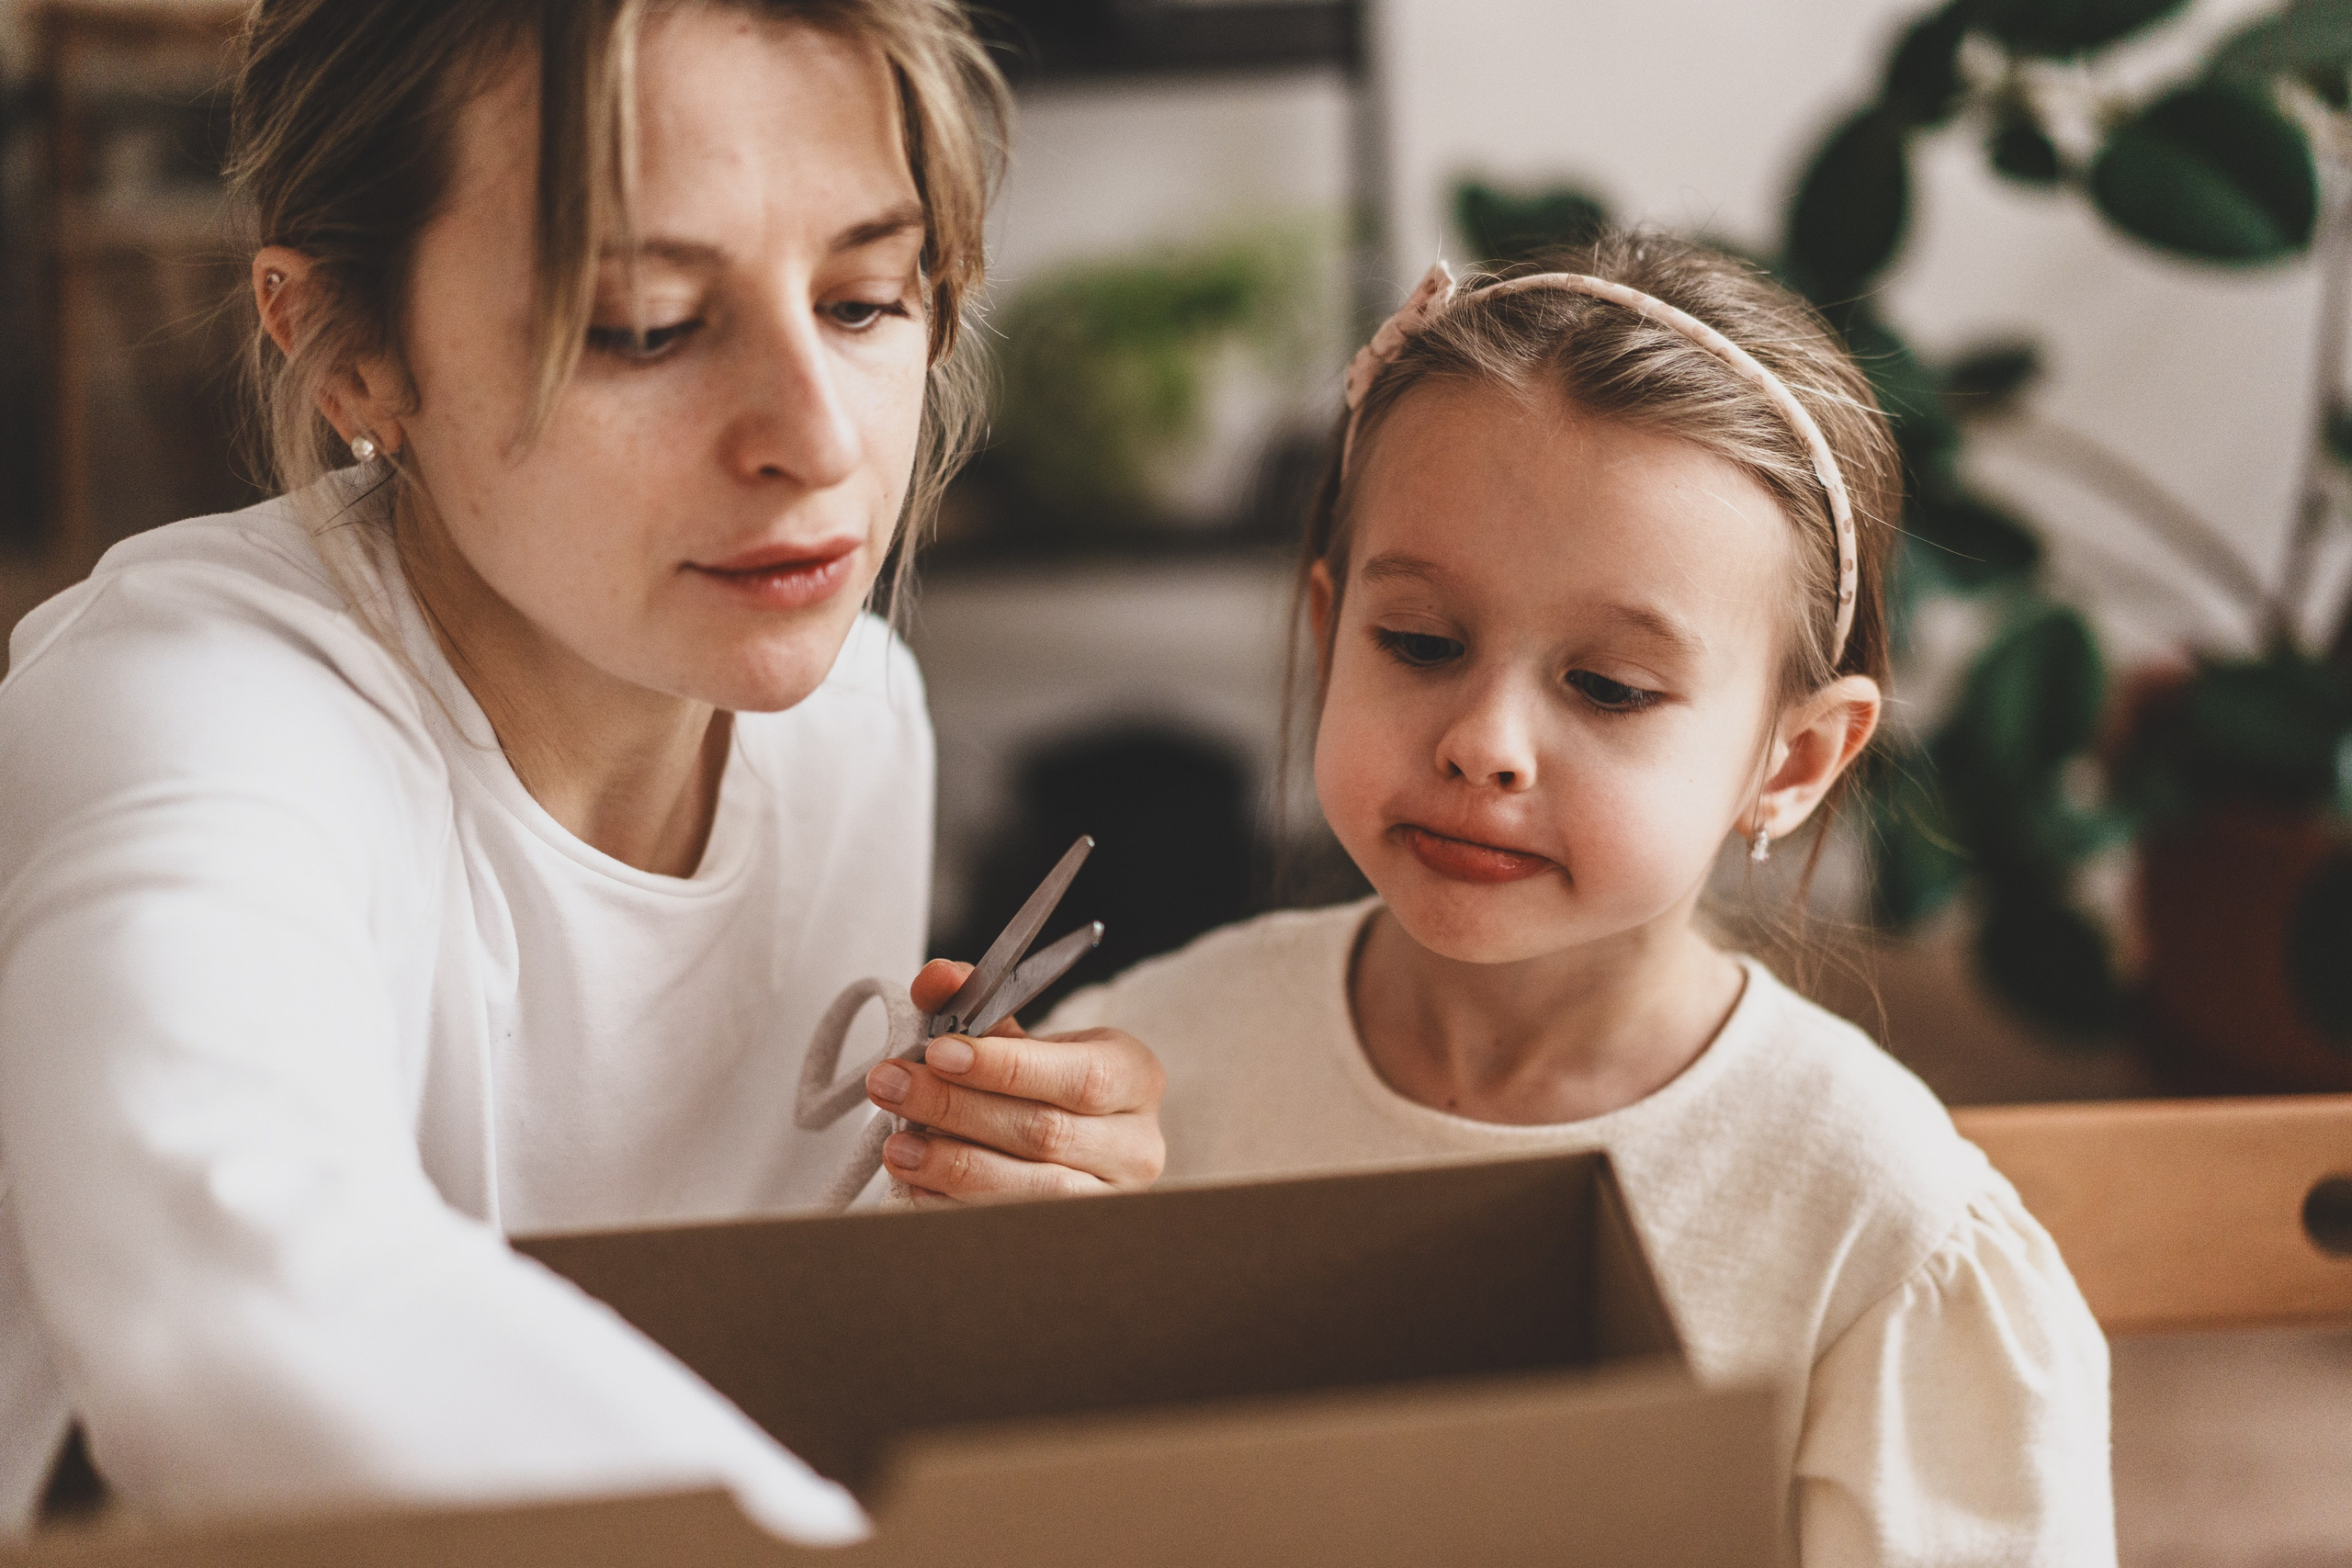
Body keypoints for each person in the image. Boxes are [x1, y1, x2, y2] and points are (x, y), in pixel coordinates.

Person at [0, 0, 1165, 1541]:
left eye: (869, 298)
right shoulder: (184, 708)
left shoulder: (850, 719)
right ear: (350, 352)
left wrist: (983, 1210)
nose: (816, 441)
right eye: (647, 327)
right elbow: (226, 1288)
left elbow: (685, 1339)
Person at [1041, 233, 2114, 1565]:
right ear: (1329, 635)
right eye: (1422, 644)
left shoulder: (1874, 1225)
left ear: (1790, 763)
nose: (1485, 739)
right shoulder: (1143, 1066)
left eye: (1608, 686)